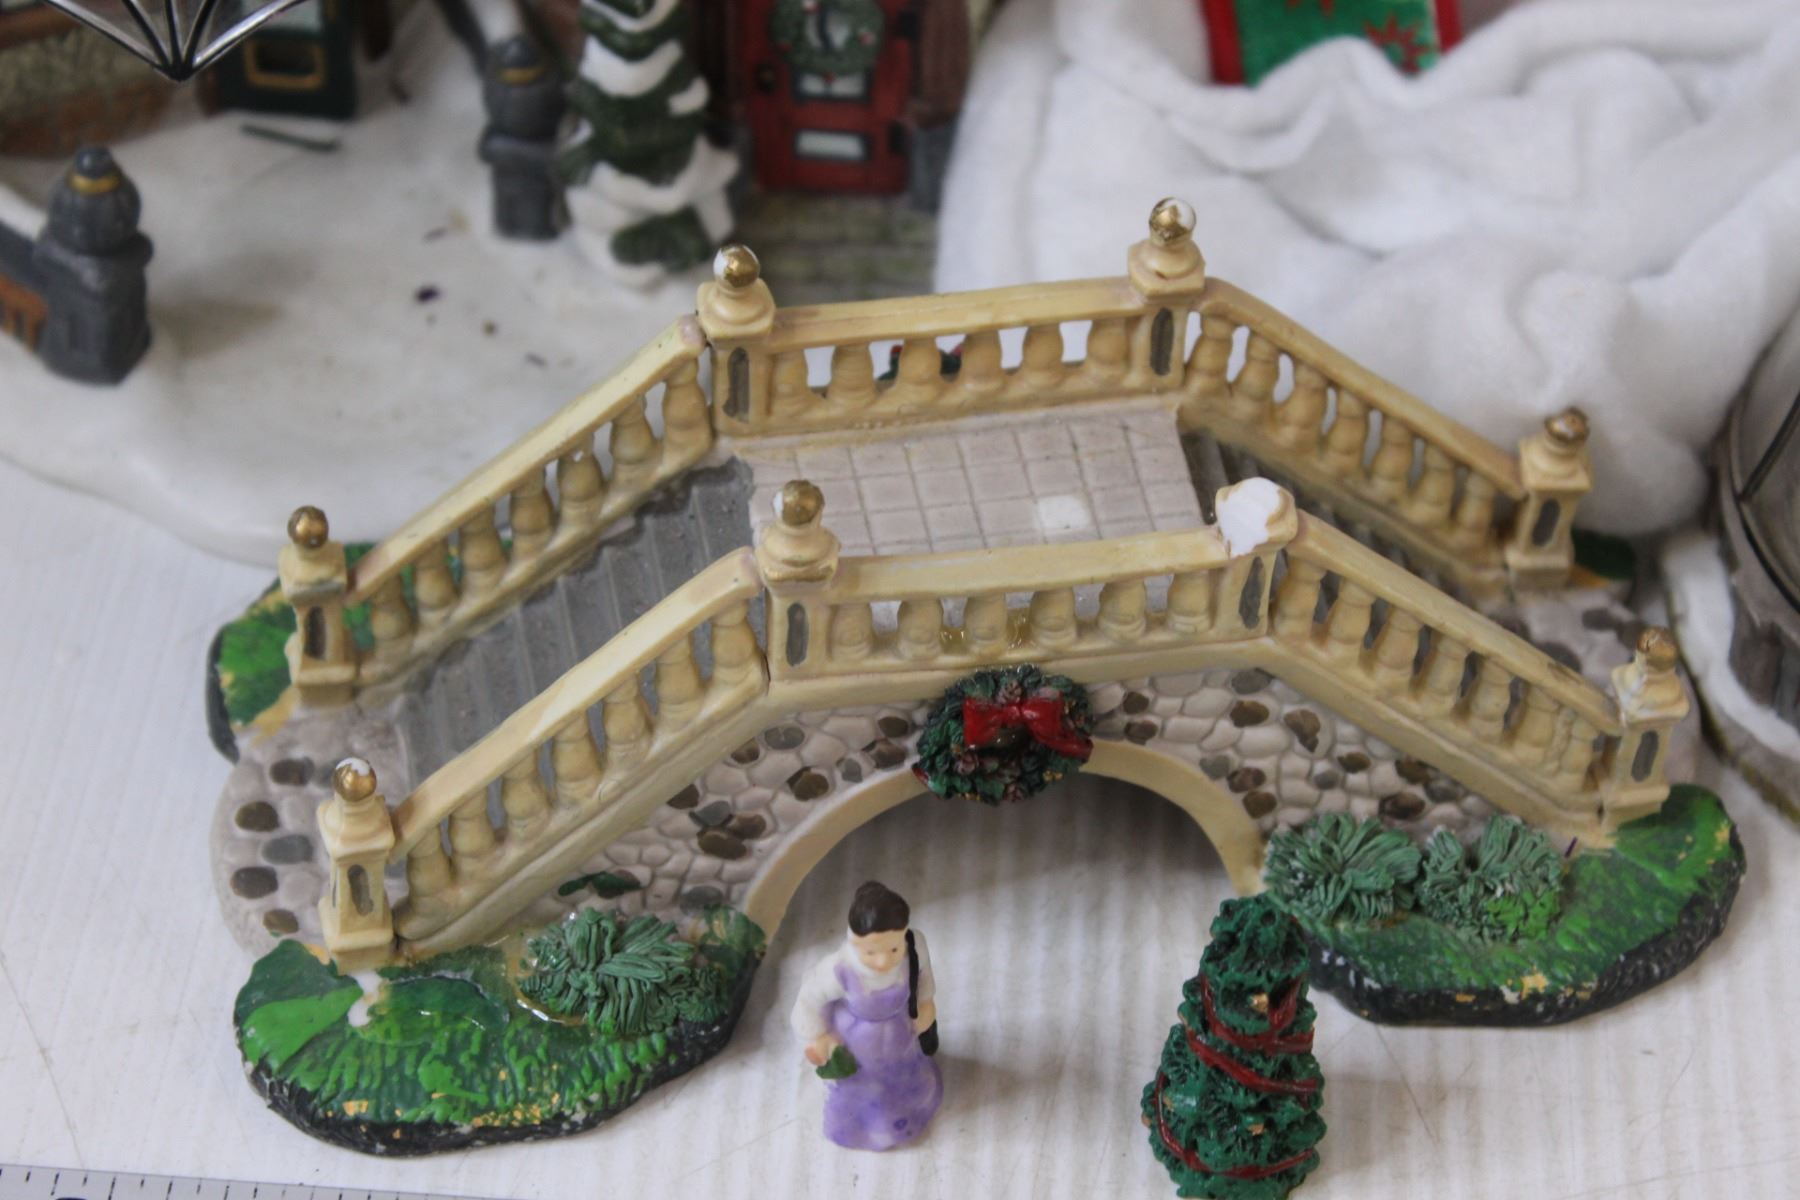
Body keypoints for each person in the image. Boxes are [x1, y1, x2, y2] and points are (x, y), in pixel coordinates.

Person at [790, 880, 943, 1150]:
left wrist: (925, 1003)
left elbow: (923, 976)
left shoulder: (914, 947)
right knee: (866, 1085)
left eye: (893, 949)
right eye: (871, 952)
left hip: (900, 1030)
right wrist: (819, 1036)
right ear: (855, 941)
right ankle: (872, 1125)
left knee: (902, 1075)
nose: (883, 961)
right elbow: (809, 1000)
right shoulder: (839, 969)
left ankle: (904, 1110)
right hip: (859, 1039)